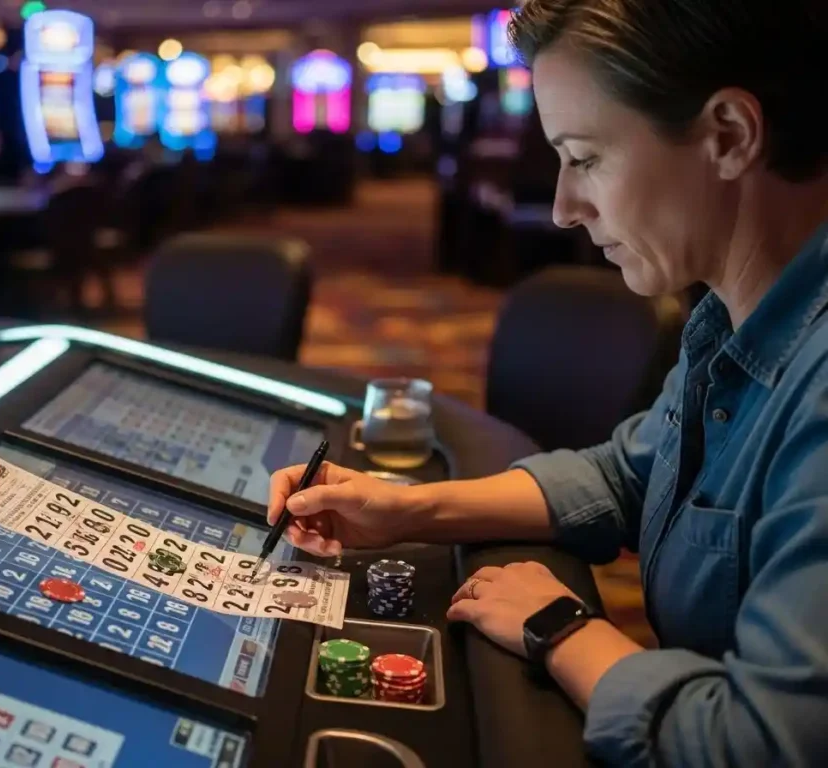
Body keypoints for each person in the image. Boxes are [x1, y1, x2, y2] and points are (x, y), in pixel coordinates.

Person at [267, 0, 828, 764]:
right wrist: (405, 508)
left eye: (586, 157)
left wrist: (562, 629)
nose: (564, 207)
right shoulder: (734, 316)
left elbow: (757, 743)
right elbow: (635, 473)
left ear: (728, 135)